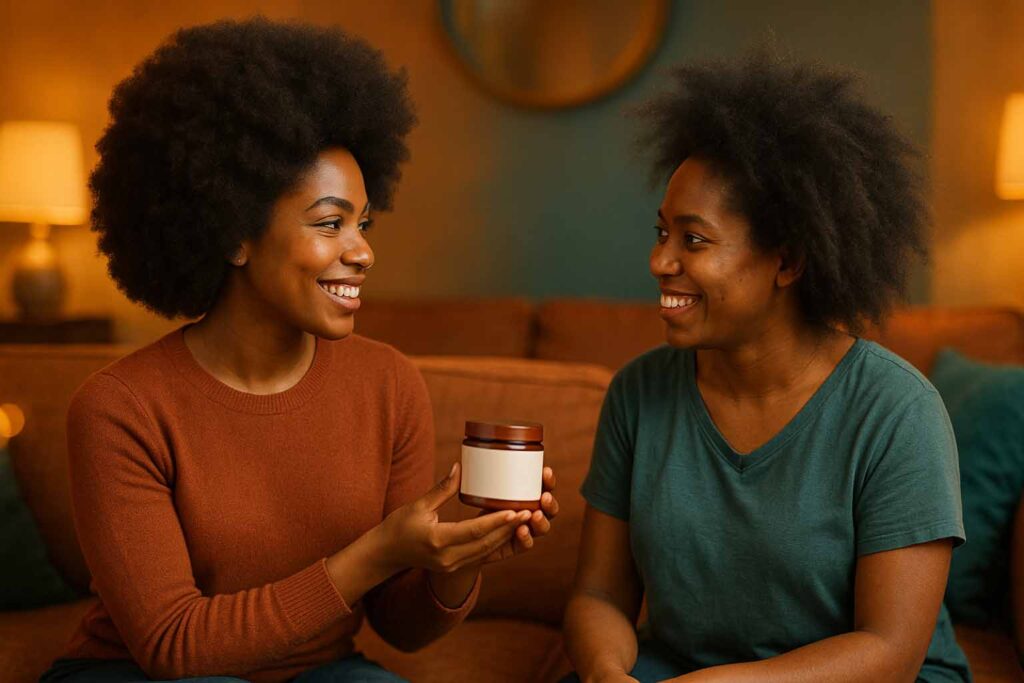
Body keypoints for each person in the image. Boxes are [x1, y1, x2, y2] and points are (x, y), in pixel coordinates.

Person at [40, 18, 557, 683]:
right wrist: (375, 550)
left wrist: (459, 558)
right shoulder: (121, 408)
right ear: (233, 234)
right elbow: (173, 646)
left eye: (364, 224)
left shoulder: (387, 382)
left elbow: (402, 626)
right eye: (330, 223)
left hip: (317, 671)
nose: (363, 251)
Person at [562, 50, 972, 683]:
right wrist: (607, 675)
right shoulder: (638, 394)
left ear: (787, 262)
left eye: (693, 240)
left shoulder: (897, 412)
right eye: (661, 232)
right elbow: (600, 598)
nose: (660, 261)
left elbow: (890, 650)